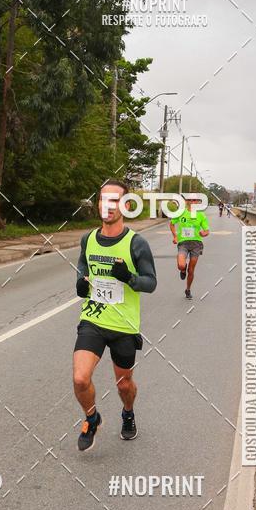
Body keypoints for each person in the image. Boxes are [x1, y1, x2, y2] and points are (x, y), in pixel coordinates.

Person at [73, 179, 157, 451]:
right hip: (93, 319)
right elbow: (82, 272)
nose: (106, 205)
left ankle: (128, 413)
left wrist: (129, 278)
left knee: (124, 384)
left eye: (113, 200)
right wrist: (81, 285)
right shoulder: (88, 239)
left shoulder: (137, 243)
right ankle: (92, 418)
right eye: (102, 199)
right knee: (80, 378)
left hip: (123, 325)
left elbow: (151, 283)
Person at [169, 197, 210, 299]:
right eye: (190, 200)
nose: (192, 202)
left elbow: (207, 231)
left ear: (198, 202)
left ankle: (188, 290)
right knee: (182, 265)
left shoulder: (201, 215)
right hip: (183, 243)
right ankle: (182, 270)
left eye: (195, 200)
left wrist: (203, 233)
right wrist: (175, 236)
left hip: (196, 244)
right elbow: (172, 224)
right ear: (186, 201)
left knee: (191, 271)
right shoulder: (181, 212)